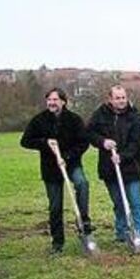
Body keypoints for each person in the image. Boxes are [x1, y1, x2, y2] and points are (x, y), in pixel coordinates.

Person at [20, 88, 93, 254]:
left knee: (82, 184)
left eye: (55, 100)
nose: (52, 103)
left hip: (72, 164)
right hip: (50, 169)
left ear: (63, 102)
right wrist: (45, 143)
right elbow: (25, 141)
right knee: (55, 206)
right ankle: (57, 242)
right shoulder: (39, 120)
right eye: (49, 100)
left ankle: (83, 221)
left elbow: (83, 142)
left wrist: (67, 156)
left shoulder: (74, 120)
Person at [87, 85, 140, 243]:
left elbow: (136, 143)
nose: (121, 101)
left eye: (123, 97)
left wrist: (122, 156)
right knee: (118, 203)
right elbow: (89, 133)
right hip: (109, 168)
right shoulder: (101, 114)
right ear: (110, 99)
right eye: (117, 98)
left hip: (131, 167)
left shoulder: (136, 117)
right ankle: (122, 233)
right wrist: (103, 142)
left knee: (135, 202)